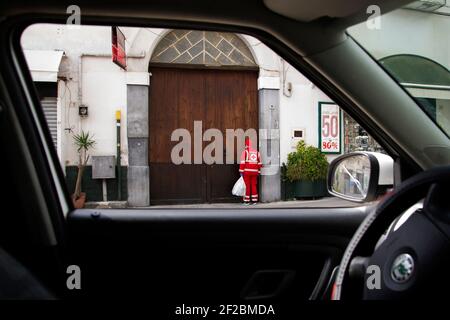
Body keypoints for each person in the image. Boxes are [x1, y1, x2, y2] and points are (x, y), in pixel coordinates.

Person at [239, 137, 262, 205]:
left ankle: (247, 201)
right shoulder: (257, 153)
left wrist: (241, 171)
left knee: (247, 186)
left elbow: (242, 163)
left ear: (246, 144)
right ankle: (254, 200)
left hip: (247, 172)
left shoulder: (245, 152)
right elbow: (260, 164)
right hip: (255, 172)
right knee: (254, 185)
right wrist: (258, 171)